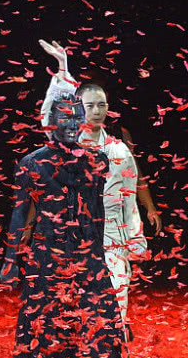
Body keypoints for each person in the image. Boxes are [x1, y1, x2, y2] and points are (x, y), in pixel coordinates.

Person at [1, 84, 134, 358]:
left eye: (77, 117)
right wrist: (10, 259)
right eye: (65, 117)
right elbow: (20, 214)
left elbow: (97, 209)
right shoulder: (32, 163)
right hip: (48, 251)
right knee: (47, 317)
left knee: (96, 316)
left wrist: (100, 252)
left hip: (87, 252)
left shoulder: (97, 160)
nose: (73, 124)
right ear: (50, 121)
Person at [38, 40, 148, 320]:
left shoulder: (119, 151)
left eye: (102, 105)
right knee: (77, 309)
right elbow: (48, 115)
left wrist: (135, 237)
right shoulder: (66, 144)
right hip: (75, 235)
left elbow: (128, 198)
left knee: (115, 303)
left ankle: (115, 342)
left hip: (112, 234)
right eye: (90, 105)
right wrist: (63, 67)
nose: (96, 111)